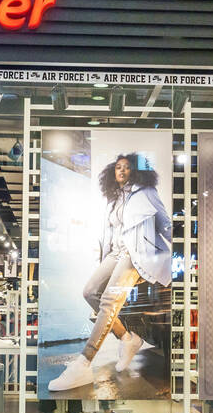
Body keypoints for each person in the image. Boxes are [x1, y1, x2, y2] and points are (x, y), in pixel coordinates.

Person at [48, 152, 172, 392]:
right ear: (112, 173)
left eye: (126, 167)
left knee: (108, 300)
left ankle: (83, 362)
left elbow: (165, 224)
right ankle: (128, 338)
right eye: (118, 167)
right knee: (90, 292)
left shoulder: (146, 193)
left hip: (137, 254)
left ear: (135, 171)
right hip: (116, 253)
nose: (122, 171)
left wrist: (181, 252)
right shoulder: (114, 199)